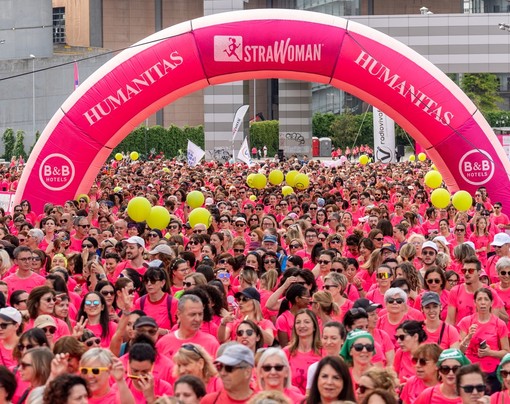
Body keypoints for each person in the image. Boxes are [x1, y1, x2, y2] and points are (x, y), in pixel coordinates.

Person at [458, 287, 509, 393]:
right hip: (470, 372)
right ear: (474, 302)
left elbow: (506, 352)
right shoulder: (466, 322)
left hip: (492, 374)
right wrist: (468, 337)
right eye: (479, 299)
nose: (483, 303)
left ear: (492, 302)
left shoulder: (499, 324)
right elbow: (459, 352)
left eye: (486, 299)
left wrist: (489, 352)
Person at [155, 294, 219, 359]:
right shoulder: (163, 343)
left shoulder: (212, 343)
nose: (197, 319)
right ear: (179, 314)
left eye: (200, 314)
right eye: (192, 314)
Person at [283, 309, 322, 394]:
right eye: (298, 322)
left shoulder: (323, 352)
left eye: (306, 322)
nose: (302, 325)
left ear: (314, 326)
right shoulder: (286, 352)